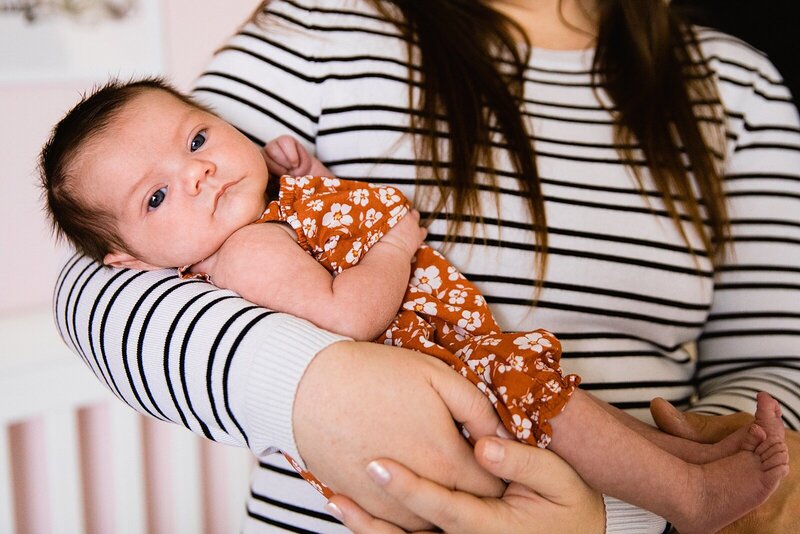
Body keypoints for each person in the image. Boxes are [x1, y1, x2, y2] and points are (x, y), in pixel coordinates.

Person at [46, 1, 800, 532]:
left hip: (580, 480)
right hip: (452, 412)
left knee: (572, 408)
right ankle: (689, 493)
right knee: (548, 402)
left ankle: (684, 469)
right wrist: (318, 387)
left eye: (202, 143)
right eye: (157, 193)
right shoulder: (318, 28)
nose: (198, 172)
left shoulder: (739, 89)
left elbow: (777, 357)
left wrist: (619, 523)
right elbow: (97, 290)